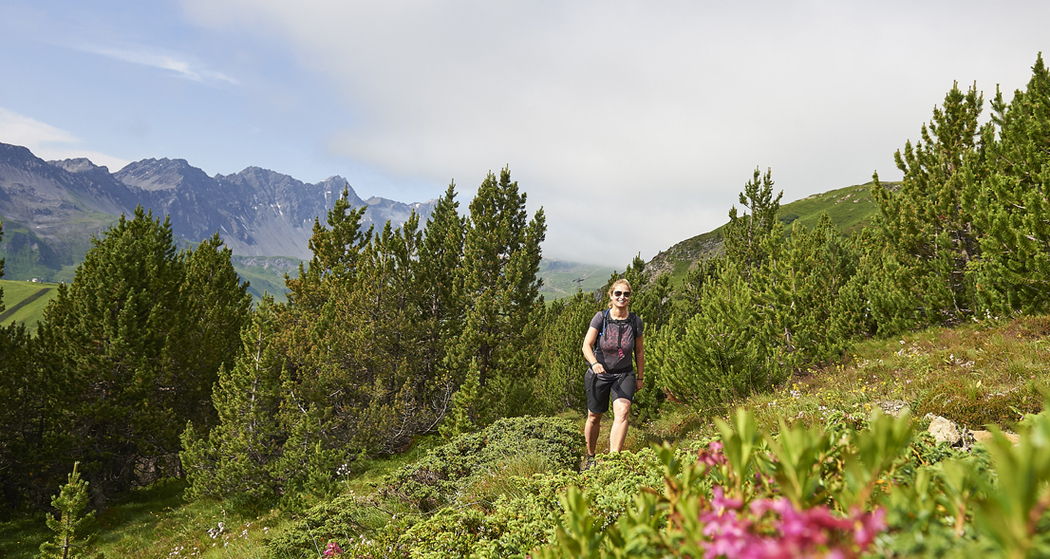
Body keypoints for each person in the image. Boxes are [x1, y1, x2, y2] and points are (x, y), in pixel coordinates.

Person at [581, 278, 644, 470]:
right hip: (600, 374)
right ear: (611, 295)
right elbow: (586, 345)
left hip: (624, 374)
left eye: (626, 294)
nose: (622, 297)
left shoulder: (635, 321)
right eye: (618, 293)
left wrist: (640, 377)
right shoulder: (601, 318)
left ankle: (613, 460)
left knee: (623, 413)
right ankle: (591, 456)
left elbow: (639, 352)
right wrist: (594, 363)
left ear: (630, 296)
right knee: (594, 416)